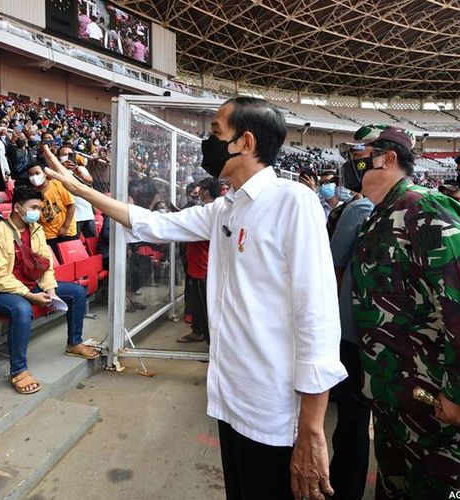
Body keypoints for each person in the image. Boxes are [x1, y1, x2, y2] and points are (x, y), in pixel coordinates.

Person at [44, 97, 346, 500]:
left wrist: (311, 428)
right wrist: (82, 190)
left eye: (217, 132)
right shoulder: (225, 208)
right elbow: (154, 224)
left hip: (274, 410)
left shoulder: (293, 202)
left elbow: (317, 317)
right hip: (230, 398)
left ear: (245, 142)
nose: (209, 141)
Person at [346, 124, 460, 497]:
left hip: (436, 404)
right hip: (395, 395)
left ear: (387, 159)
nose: (351, 163)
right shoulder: (380, 215)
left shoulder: (423, 206)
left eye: (359, 155)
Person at [0, 187, 99, 395]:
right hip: (0, 291)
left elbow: (45, 264)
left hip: (33, 284)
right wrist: (30, 295)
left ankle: (74, 343)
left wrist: (50, 290)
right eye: (34, 207)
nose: (38, 212)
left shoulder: (36, 229)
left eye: (39, 208)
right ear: (17, 207)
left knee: (76, 292)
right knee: (22, 309)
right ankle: (18, 370)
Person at [327, 144, 375, 500]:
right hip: (380, 334)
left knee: (352, 416)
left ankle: (345, 487)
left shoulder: (359, 208)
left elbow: (334, 262)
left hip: (352, 330)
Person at [176, 177, 223, 344]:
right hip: (198, 263)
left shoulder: (209, 211)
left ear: (206, 192)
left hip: (202, 265)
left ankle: (210, 341)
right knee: (197, 302)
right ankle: (198, 331)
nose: (199, 192)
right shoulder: (213, 209)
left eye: (201, 189)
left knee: (204, 304)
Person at [26, 163, 77, 254]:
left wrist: (65, 227)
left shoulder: (58, 185)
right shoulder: (31, 193)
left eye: (37, 173)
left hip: (67, 231)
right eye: (31, 175)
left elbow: (71, 205)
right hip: (48, 235)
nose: (34, 177)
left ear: (45, 174)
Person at [58, 146, 95, 238]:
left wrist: (80, 174)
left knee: (92, 242)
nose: (67, 157)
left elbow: (90, 181)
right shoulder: (57, 171)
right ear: (59, 157)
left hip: (87, 213)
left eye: (69, 154)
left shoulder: (81, 169)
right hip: (73, 217)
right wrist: (62, 168)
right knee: (74, 242)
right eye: (64, 155)